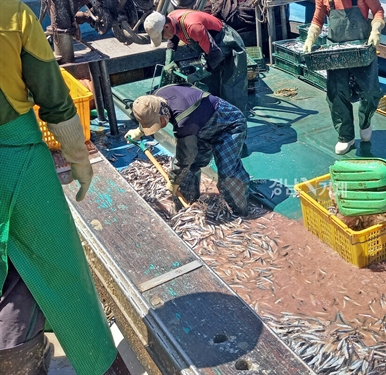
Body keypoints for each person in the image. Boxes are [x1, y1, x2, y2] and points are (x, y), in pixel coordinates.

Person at [0, 1, 129, 374]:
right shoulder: (12, 14)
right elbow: (55, 100)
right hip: (16, 163)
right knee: (51, 266)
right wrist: (79, 160)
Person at [125, 84, 250, 216]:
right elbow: (149, 112)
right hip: (200, 125)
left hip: (228, 124)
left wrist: (174, 181)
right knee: (188, 170)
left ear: (163, 112)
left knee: (227, 172)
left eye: (159, 123)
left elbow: (185, 156)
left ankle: (240, 212)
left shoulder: (183, 120)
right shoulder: (156, 97)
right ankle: (186, 209)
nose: (160, 127)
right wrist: (139, 130)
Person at [302, 0, 385, 155]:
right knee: (336, 94)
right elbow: (318, 19)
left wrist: (376, 30)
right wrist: (310, 37)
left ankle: (365, 122)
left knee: (370, 91)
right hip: (335, 52)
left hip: (362, 48)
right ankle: (346, 136)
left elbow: (378, 11)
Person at [144, 10, 248, 113]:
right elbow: (173, 38)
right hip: (211, 44)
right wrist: (169, 61)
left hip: (227, 41)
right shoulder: (171, 19)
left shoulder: (193, 27)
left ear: (166, 27)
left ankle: (235, 114)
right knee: (210, 82)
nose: (163, 39)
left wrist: (198, 75)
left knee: (231, 84)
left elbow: (216, 55)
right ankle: (216, 109)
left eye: (162, 37)